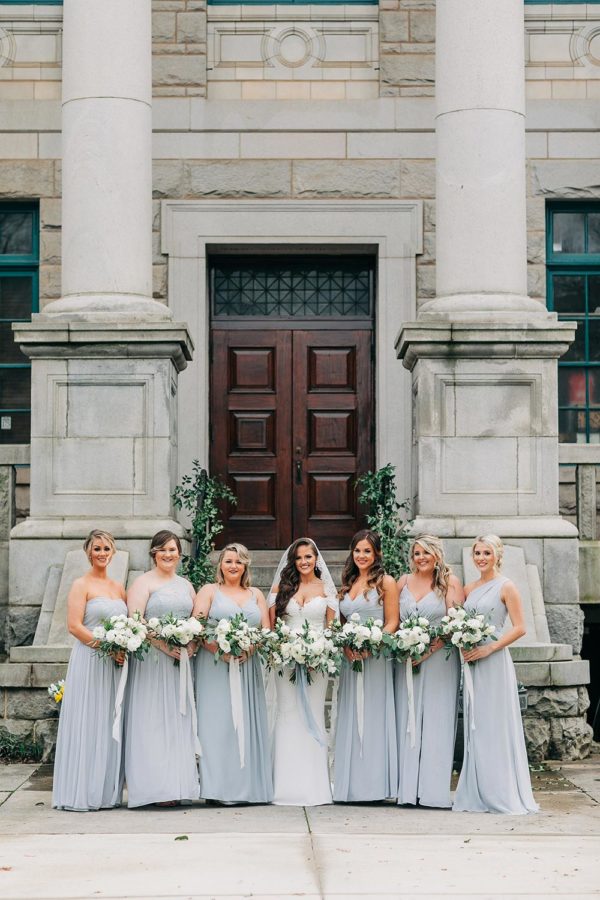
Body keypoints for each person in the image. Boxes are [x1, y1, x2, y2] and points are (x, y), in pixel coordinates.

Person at [453, 534, 538, 815]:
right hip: (472, 661)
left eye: (486, 553)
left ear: (497, 555)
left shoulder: (507, 586)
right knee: (477, 724)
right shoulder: (469, 587)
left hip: (494, 661)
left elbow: (519, 627)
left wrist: (490, 648)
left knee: (495, 724)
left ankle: (501, 792)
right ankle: (477, 791)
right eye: (477, 553)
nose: (481, 558)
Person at [124, 530, 200, 808]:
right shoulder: (142, 583)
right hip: (152, 662)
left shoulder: (186, 585)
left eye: (173, 549)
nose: (168, 555)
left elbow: (195, 621)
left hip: (180, 662)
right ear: (154, 553)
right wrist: (164, 645)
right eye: (163, 550)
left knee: (179, 719)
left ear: (180, 553)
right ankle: (154, 788)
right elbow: (136, 622)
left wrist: (190, 645)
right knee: (152, 720)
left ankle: (177, 785)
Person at [52, 530, 127, 811]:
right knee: (88, 719)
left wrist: (122, 648)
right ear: (88, 552)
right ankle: (81, 790)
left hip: (113, 664)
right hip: (89, 659)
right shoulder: (80, 584)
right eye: (97, 548)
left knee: (109, 721)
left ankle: (105, 791)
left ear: (113, 552)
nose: (102, 553)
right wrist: (106, 646)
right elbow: (74, 626)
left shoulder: (119, 588)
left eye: (107, 548)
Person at [193, 543, 273, 805]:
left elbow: (265, 631)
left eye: (238, 562)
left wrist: (250, 649)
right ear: (220, 565)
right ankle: (216, 789)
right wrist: (219, 648)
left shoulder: (255, 595)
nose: (233, 566)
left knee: (245, 723)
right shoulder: (209, 591)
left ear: (245, 565)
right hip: (214, 665)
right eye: (229, 561)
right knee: (216, 725)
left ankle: (247, 788)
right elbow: (198, 626)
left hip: (247, 666)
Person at [268, 538, 338, 806]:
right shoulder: (281, 588)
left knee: (313, 714)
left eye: (309, 557)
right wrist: (284, 649)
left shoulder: (327, 590)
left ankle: (314, 788)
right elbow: (272, 627)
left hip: (317, 662)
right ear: (293, 562)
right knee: (287, 714)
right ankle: (285, 787)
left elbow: (331, 629)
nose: (304, 562)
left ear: (316, 559)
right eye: (299, 558)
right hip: (285, 661)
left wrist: (319, 651)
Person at [395, 534, 463, 808]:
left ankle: (433, 791)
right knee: (408, 719)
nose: (420, 558)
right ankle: (408, 791)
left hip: (439, 661)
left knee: (436, 720)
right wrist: (405, 645)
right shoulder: (402, 582)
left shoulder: (449, 582)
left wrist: (428, 650)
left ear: (437, 555)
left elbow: (453, 624)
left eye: (425, 553)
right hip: (408, 659)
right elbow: (392, 618)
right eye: (416, 554)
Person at [333, 529, 399, 803]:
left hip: (377, 658)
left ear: (377, 554)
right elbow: (341, 623)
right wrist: (346, 645)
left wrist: (374, 644)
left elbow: (393, 621)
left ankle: (375, 785)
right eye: (357, 550)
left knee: (374, 715)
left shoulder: (386, 582)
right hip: (351, 659)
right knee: (352, 713)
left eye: (367, 551)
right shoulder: (346, 583)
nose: (361, 556)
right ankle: (352, 784)